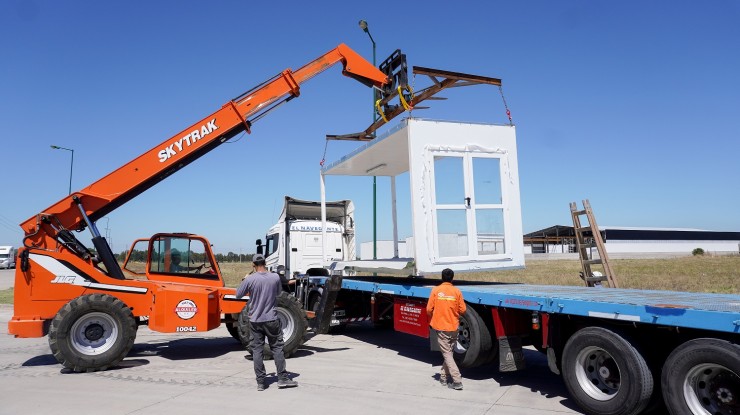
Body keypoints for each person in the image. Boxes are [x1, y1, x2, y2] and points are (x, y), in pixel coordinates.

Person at [235, 253, 298, 391]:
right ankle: (282, 378)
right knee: (277, 348)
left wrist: (244, 280)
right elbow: (277, 293)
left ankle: (261, 383)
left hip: (255, 320)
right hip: (271, 319)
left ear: (253, 265)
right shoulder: (275, 277)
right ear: (265, 262)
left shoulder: (250, 279)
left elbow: (238, 294)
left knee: (257, 350)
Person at [426, 268, 466, 390]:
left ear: (442, 277)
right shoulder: (456, 291)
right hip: (453, 327)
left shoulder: (436, 290)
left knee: (447, 354)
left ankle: (457, 380)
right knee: (448, 353)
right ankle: (443, 377)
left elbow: (428, 310)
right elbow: (463, 310)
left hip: (441, 327)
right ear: (452, 278)